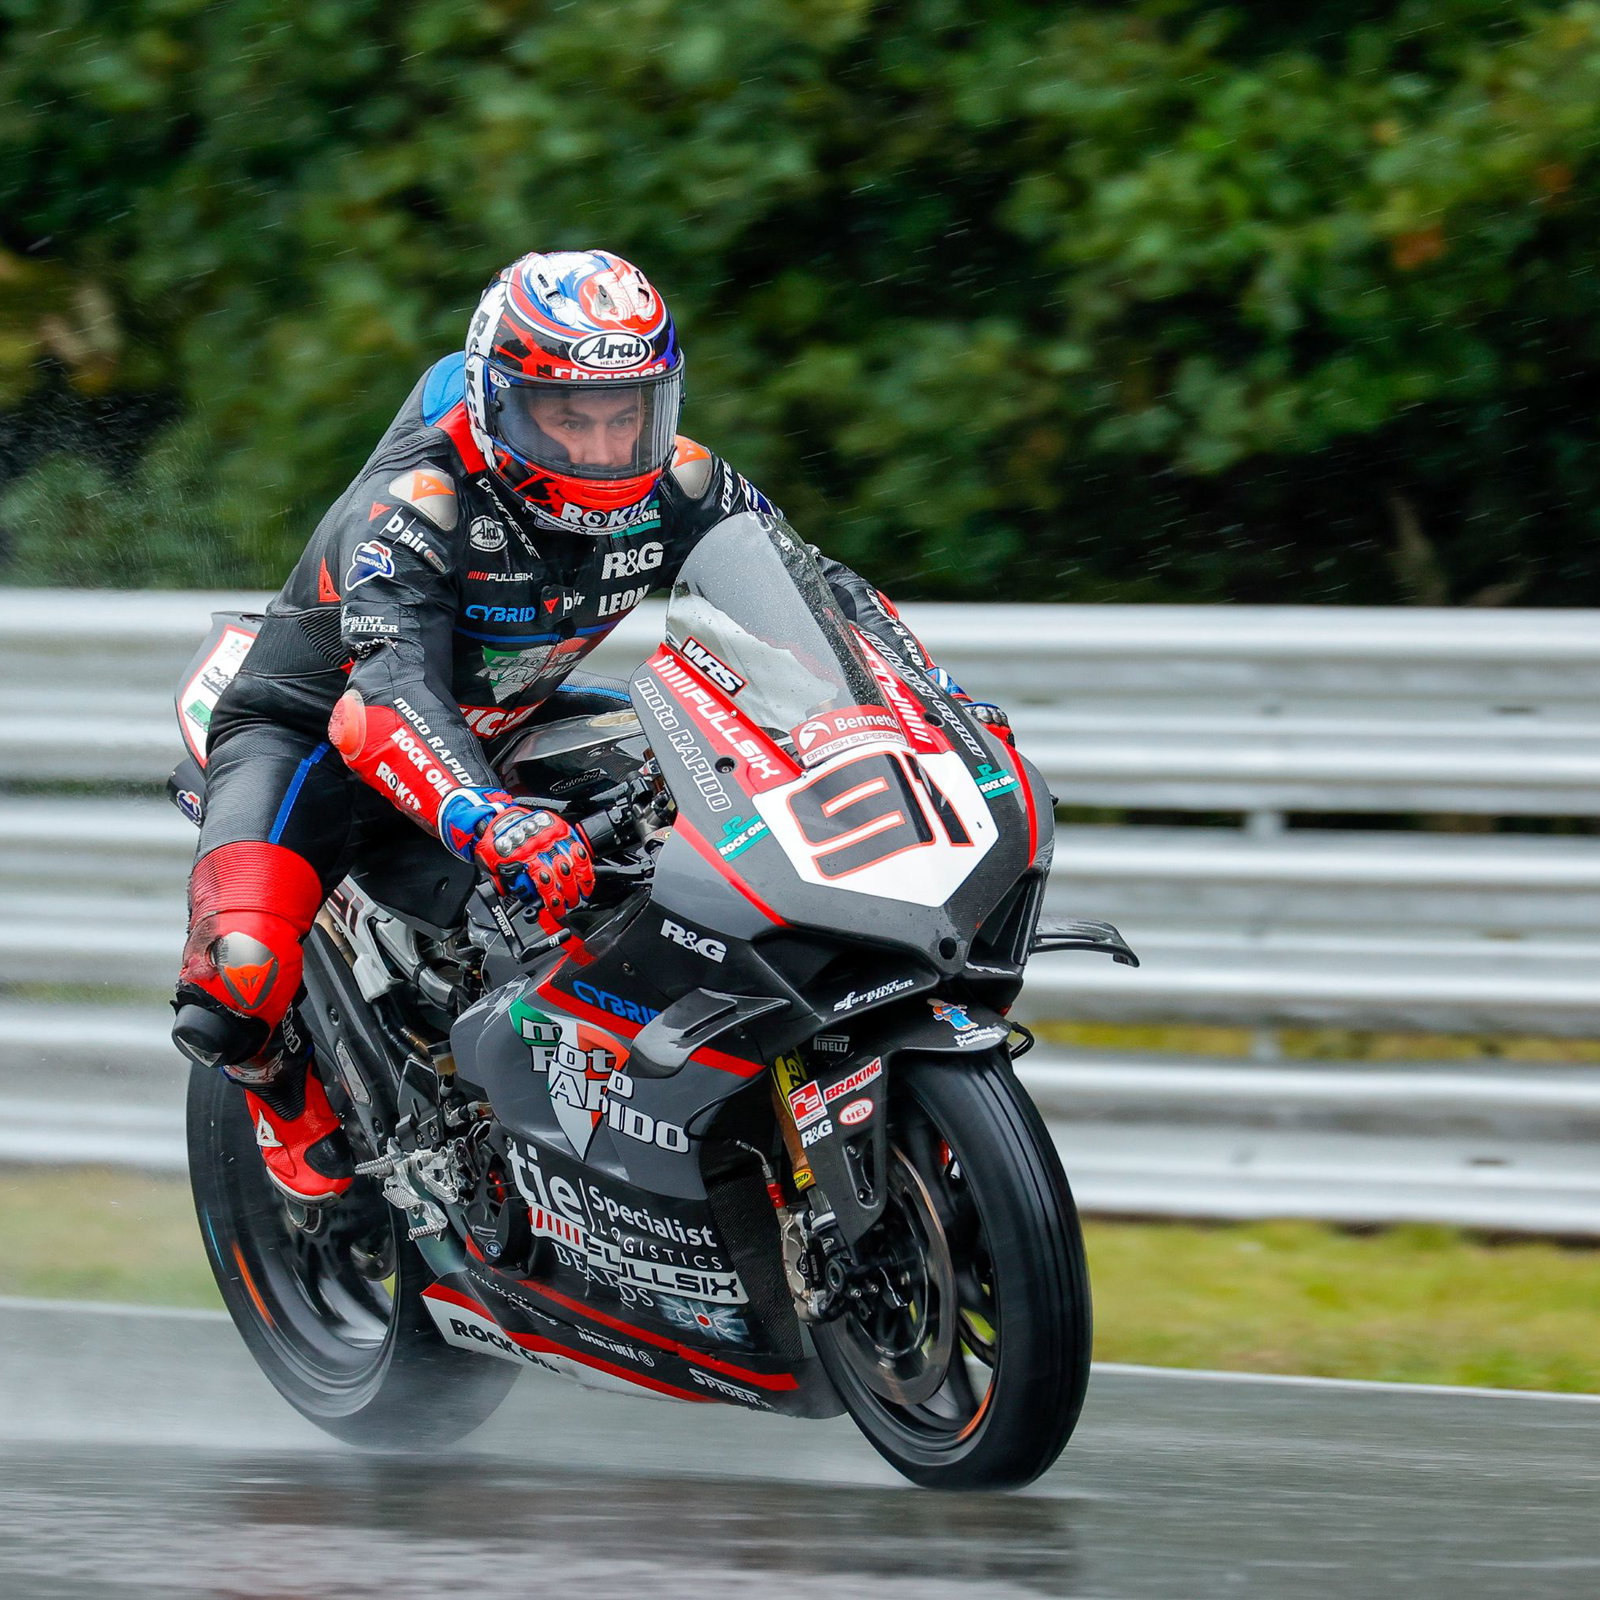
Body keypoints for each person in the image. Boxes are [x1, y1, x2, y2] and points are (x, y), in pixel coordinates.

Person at [170, 249, 1011, 1205]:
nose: (604, 448)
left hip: (515, 718)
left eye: (629, 415)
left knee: (712, 809)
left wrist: (928, 703)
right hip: (318, 731)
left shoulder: (683, 482)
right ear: (499, 401)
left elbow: (815, 597)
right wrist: (491, 817)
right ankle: (282, 1097)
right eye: (566, 417)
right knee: (237, 970)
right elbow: (390, 689)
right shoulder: (415, 503)